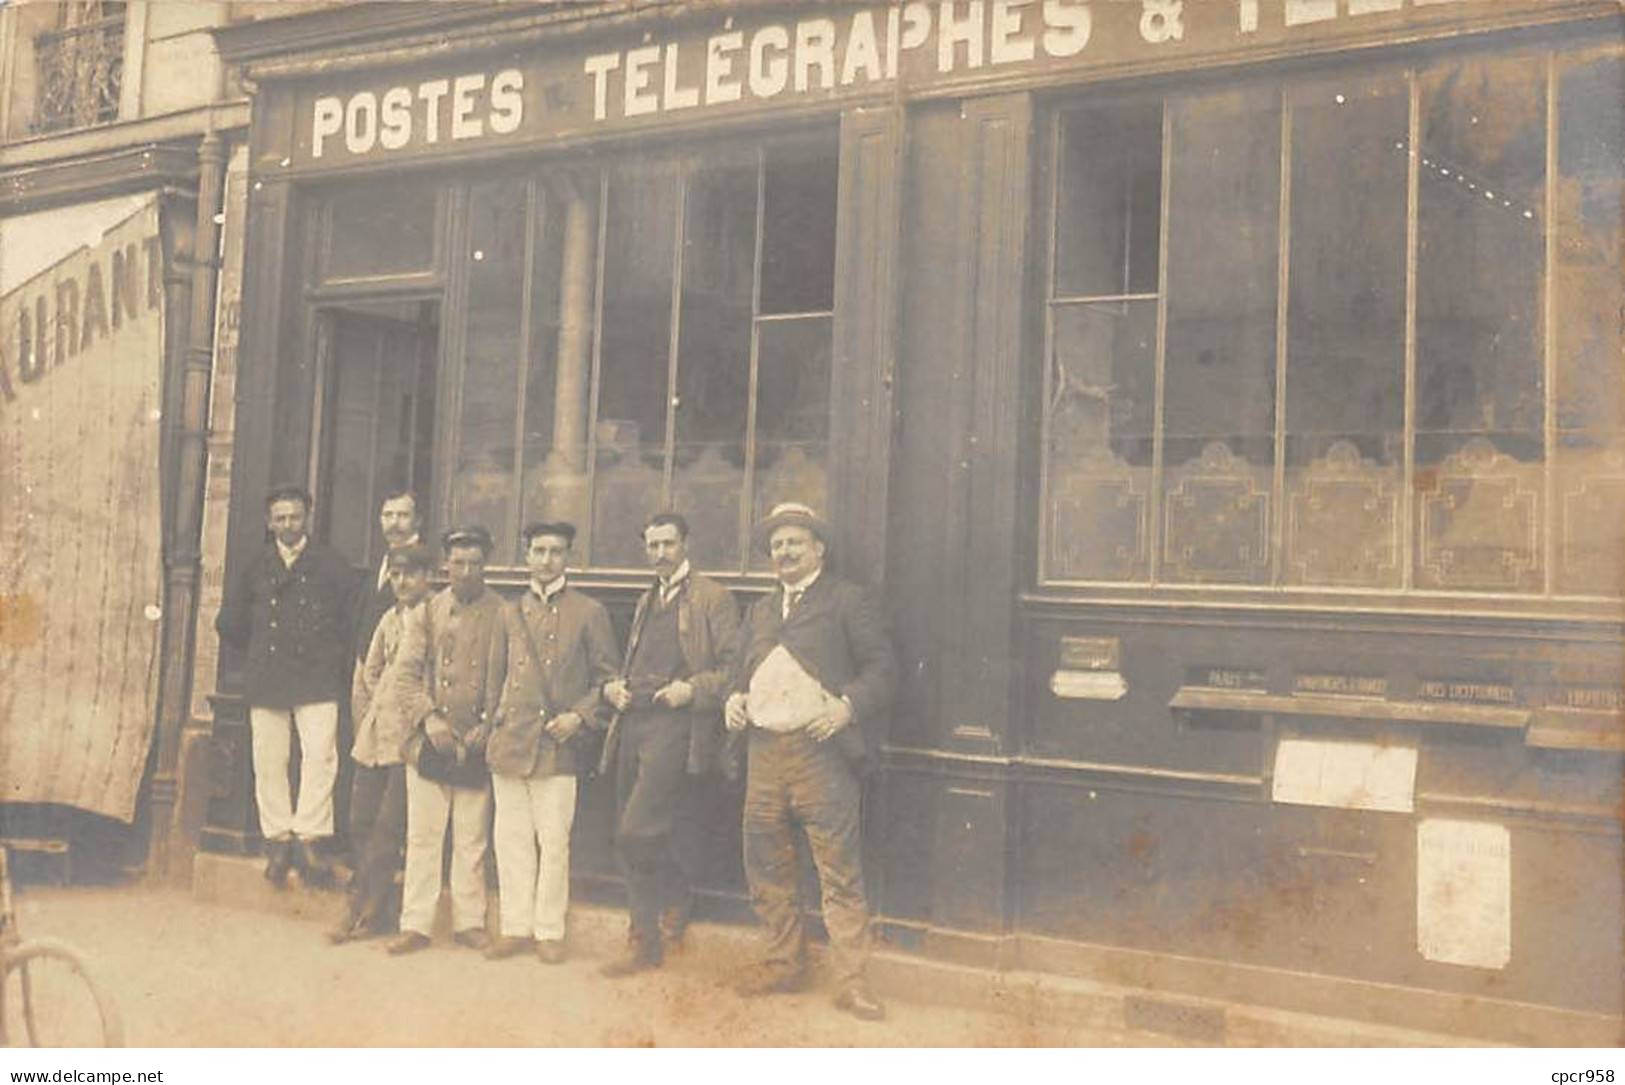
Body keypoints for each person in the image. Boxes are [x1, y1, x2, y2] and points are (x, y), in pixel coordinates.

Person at [723, 502, 897, 1022]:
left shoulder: (848, 601)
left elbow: (883, 669)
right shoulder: (758, 610)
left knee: (838, 870)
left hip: (821, 754)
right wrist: (734, 699)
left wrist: (846, 708)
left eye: (795, 542)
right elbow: (738, 671)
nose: (784, 552)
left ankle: (851, 981)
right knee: (768, 864)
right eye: (777, 545)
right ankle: (783, 964)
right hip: (764, 753)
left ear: (818, 549)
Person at [598, 512, 740, 978]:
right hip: (633, 720)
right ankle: (657, 921)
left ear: (686, 544)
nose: (660, 553)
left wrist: (691, 690)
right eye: (653, 545)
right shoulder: (646, 599)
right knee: (631, 827)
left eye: (669, 544)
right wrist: (616, 688)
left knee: (635, 830)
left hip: (675, 725)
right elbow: (634, 660)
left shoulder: (712, 597)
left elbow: (735, 670)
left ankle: (657, 922)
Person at [485, 522, 619, 964]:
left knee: (554, 841)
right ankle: (515, 926)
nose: (546, 560)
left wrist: (578, 717)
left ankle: (548, 930)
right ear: (526, 556)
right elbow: (496, 677)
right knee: (511, 839)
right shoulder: (508, 611)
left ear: (568, 558)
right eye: (539, 551)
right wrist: (493, 727)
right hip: (511, 742)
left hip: (557, 744)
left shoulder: (589, 612)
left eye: (556, 552)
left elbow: (606, 681)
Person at [216, 484, 357, 887]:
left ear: (307, 518)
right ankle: (278, 840)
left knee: (320, 758)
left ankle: (309, 837)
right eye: (279, 518)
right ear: (269, 522)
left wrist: (328, 658)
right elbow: (230, 622)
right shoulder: (257, 566)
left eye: (294, 516)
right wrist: (261, 652)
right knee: (269, 760)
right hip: (269, 677)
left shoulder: (331, 565)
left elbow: (349, 623)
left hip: (317, 677)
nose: (287, 524)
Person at [389, 526, 506, 956]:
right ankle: (416, 924)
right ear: (446, 565)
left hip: (476, 741)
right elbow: (405, 678)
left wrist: (488, 726)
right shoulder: (427, 612)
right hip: (430, 742)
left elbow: (509, 679)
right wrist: (431, 721)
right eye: (458, 562)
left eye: (475, 562)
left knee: (472, 839)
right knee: (423, 836)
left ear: (486, 564)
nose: (466, 571)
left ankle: (469, 922)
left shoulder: (503, 614)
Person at [329, 543, 435, 945]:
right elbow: (370, 671)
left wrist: (411, 713)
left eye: (411, 574)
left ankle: (367, 914)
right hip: (376, 736)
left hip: (410, 739)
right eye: (395, 574)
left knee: (389, 828)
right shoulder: (389, 619)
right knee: (360, 820)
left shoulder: (434, 617)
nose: (403, 582)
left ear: (429, 576)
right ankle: (371, 902)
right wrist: (380, 706)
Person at [354, 489, 424, 662]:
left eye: (403, 515)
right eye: (388, 515)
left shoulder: (425, 563)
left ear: (418, 520)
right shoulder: (377, 562)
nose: (394, 522)